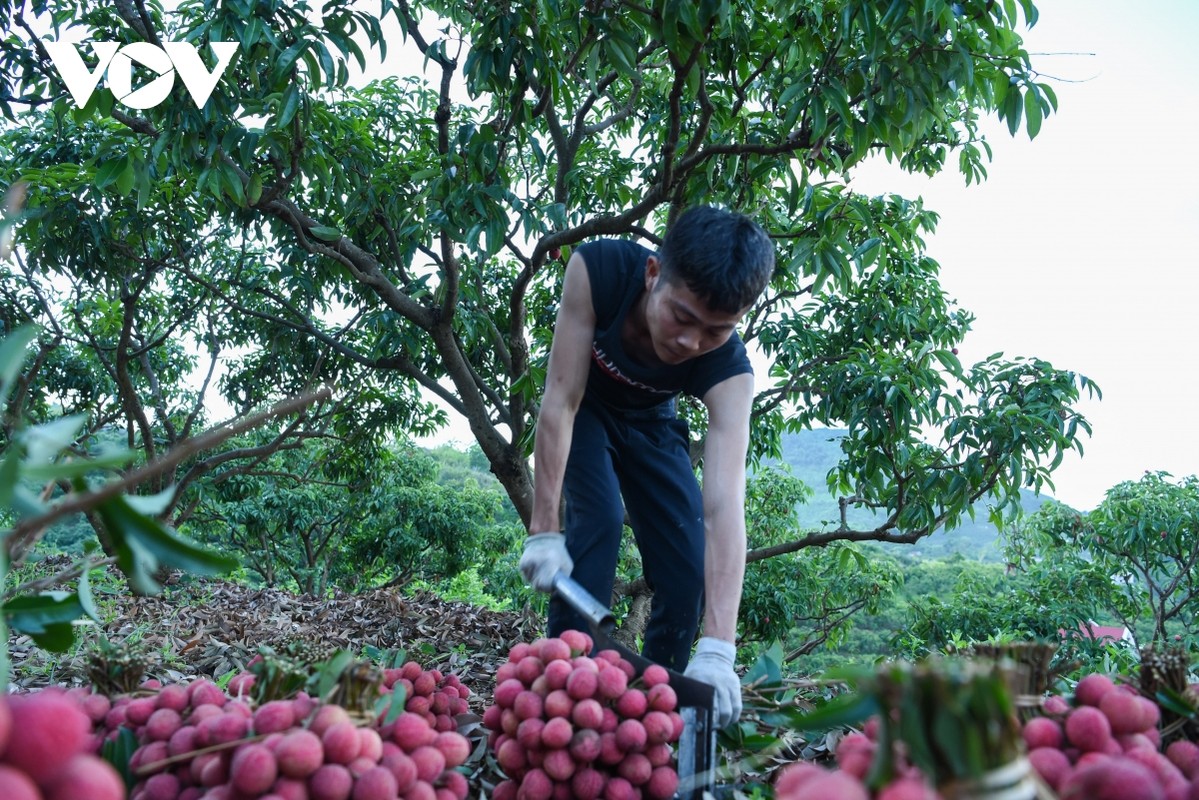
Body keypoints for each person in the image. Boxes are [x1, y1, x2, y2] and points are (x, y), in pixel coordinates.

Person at [518, 204, 775, 729]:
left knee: (686, 566)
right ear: (653, 273)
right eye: (682, 316)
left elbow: (725, 505)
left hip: (655, 426)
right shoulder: (600, 271)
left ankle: (658, 708)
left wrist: (720, 647)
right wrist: (544, 530)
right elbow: (560, 400)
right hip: (586, 409)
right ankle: (566, 692)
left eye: (716, 330)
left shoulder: (730, 371)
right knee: (600, 522)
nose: (691, 342)